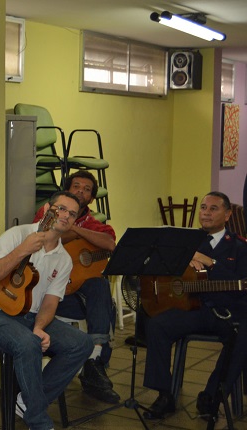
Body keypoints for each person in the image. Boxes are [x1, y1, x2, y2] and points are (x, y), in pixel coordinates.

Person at [0, 190, 93, 430]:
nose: (65, 216)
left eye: (72, 213)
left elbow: (50, 302)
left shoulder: (64, 259)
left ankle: (26, 402)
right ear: (48, 208)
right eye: (61, 208)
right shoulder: (17, 235)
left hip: (29, 317)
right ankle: (39, 422)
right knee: (29, 344)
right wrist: (23, 250)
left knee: (82, 344)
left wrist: (40, 327)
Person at [143, 191, 247, 420]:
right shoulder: (186, 242)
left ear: (228, 215)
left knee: (243, 337)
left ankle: (211, 396)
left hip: (228, 313)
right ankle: (164, 394)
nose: (206, 213)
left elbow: (240, 284)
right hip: (192, 308)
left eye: (213, 208)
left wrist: (211, 262)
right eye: (203, 207)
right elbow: (160, 271)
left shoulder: (240, 247)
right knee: (157, 325)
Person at [27, 171, 120, 404]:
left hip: (77, 295)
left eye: (86, 189)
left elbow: (110, 245)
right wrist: (68, 227)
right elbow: (45, 235)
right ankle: (95, 366)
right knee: (102, 302)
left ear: (91, 198)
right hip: (47, 295)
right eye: (76, 185)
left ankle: (94, 359)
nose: (80, 190)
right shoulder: (49, 212)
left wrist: (76, 229)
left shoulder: (96, 224)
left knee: (99, 287)